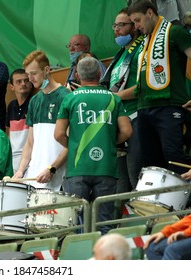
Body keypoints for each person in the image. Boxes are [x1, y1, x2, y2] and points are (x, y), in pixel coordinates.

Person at [55, 56, 132, 234]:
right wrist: (109, 144)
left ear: (77, 74)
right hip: (106, 167)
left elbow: (58, 134)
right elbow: (127, 131)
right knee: (104, 223)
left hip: (78, 168)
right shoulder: (114, 99)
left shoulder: (70, 98)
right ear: (99, 73)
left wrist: (74, 146)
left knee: (77, 224)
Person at [127, 0, 191, 175]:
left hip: (169, 106)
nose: (136, 26)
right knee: (151, 163)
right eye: (133, 22)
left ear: (149, 13)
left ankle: (181, 201)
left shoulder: (174, 32)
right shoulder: (143, 43)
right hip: (143, 108)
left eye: (137, 20)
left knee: (173, 158)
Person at [100, 8, 145, 195]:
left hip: (137, 117)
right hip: (118, 120)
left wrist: (115, 97)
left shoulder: (142, 49)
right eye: (115, 25)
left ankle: (142, 222)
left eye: (122, 25)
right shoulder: (119, 55)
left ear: (134, 26)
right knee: (119, 180)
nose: (117, 30)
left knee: (136, 174)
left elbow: (145, 86)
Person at [14, 50, 68, 190]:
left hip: (58, 178)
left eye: (34, 73)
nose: (30, 79)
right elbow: (30, 142)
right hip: (34, 178)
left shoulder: (65, 97)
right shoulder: (34, 101)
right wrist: (20, 171)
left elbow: (71, 142)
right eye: (28, 74)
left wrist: (52, 169)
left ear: (47, 70)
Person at [6, 69, 33, 173]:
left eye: (26, 80)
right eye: (18, 82)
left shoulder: (34, 102)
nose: (23, 84)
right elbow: (9, 133)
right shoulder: (11, 106)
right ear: (11, 87)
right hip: (13, 158)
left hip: (30, 156)